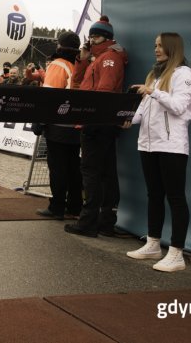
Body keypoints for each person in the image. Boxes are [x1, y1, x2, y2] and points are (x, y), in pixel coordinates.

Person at [125, 33, 191, 272]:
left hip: (172, 146)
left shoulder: (184, 75)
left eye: (160, 45)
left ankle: (177, 253)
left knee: (175, 198)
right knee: (154, 194)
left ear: (171, 47)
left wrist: (152, 91)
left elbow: (178, 107)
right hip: (148, 144)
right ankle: (153, 244)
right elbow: (144, 111)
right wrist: (125, 119)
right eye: (154, 45)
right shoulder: (155, 76)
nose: (156, 49)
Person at [65, 16, 127, 238]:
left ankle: (89, 222)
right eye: (90, 36)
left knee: (92, 173)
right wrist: (82, 60)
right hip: (101, 122)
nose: (92, 40)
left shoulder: (109, 58)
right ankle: (105, 223)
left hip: (97, 122)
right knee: (106, 173)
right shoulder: (98, 58)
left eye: (96, 36)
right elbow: (77, 85)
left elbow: (105, 92)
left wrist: (90, 117)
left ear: (107, 38)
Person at [34, 31, 83, 220]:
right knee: (73, 168)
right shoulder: (79, 64)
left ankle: (56, 207)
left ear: (59, 46)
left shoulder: (58, 64)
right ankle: (74, 207)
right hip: (76, 124)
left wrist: (40, 121)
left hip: (58, 125)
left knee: (58, 168)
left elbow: (50, 98)